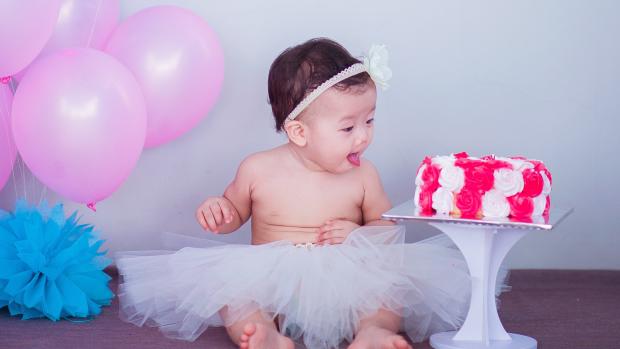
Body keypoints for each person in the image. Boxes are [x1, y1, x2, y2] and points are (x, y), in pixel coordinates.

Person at [116, 38, 471, 349]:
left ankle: (373, 332)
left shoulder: (363, 176)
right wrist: (219, 210)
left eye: (370, 120)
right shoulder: (257, 168)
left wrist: (360, 235)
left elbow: (388, 228)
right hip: (271, 280)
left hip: (345, 280)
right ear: (299, 132)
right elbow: (234, 213)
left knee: (387, 293)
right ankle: (266, 335)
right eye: (348, 127)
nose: (363, 136)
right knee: (232, 294)